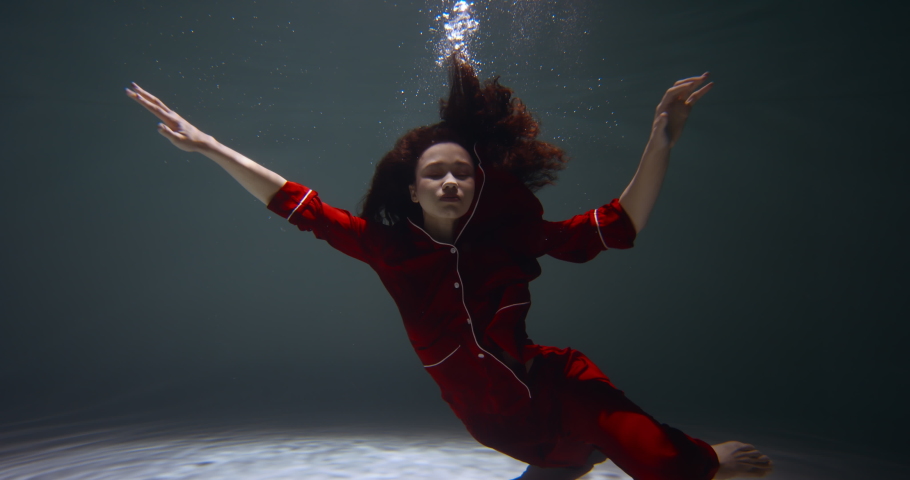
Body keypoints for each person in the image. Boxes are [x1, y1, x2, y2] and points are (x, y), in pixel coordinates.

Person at [126, 56, 773, 480]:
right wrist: (208, 146)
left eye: (462, 171)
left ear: (477, 184)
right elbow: (299, 204)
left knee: (666, 468)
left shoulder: (509, 234)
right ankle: (580, 454)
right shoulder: (388, 247)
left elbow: (616, 226)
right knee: (565, 462)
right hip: (495, 423)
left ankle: (700, 454)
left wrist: (660, 139)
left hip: (558, 384)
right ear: (412, 190)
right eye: (435, 173)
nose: (450, 180)